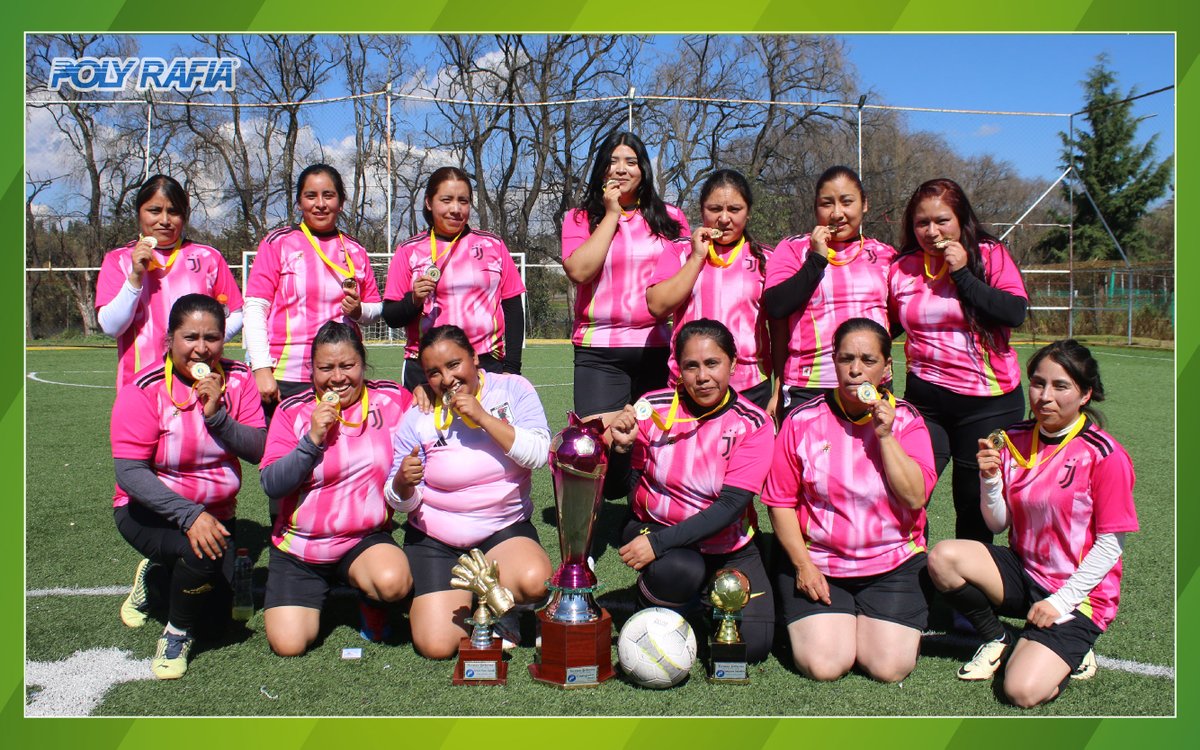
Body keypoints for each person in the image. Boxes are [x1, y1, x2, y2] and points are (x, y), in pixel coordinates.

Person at [927, 340, 1136, 707]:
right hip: (1025, 572)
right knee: (943, 558)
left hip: (1079, 595)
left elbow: (1110, 545)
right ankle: (999, 639)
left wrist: (1061, 602)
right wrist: (990, 480)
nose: (1045, 396)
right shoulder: (1014, 438)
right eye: (1038, 383)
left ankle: (1072, 647)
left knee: (1021, 691)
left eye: (1061, 386)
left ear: (1085, 394)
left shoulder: (1104, 455)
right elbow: (999, 521)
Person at [761, 318, 937, 683]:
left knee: (888, 668)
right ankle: (836, 621)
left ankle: (875, 621)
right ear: (834, 363)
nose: (856, 370)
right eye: (846, 359)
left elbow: (915, 497)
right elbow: (779, 502)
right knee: (824, 666)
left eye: (868, 360)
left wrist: (886, 436)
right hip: (821, 564)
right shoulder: (802, 419)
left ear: (887, 367)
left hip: (892, 562)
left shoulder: (908, 420)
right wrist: (803, 566)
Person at [110, 294, 265, 679]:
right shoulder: (144, 387)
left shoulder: (240, 380)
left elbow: (260, 450)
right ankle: (175, 634)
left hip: (216, 517)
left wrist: (218, 416)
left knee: (219, 621)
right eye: (190, 337)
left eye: (211, 338)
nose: (201, 349)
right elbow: (129, 472)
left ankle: (157, 577)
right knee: (200, 553)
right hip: (150, 512)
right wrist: (189, 514)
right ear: (170, 341)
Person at [604, 319, 776, 662]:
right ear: (677, 368)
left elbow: (730, 506)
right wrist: (620, 451)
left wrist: (657, 545)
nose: (702, 376)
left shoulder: (753, 423)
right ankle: (643, 603)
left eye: (712, 363)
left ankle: (691, 605)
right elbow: (614, 490)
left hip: (726, 542)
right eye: (691, 366)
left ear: (732, 362)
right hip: (659, 530)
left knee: (751, 648)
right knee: (682, 569)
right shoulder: (652, 407)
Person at [387, 324, 552, 659]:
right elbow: (399, 501)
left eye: (454, 365)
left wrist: (484, 418)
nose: (446, 379)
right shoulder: (418, 415)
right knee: (436, 645)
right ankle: (479, 603)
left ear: (475, 357)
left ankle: (506, 608)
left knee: (536, 581)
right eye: (434, 372)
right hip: (436, 540)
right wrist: (403, 483)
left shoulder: (511, 389)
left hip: (502, 531)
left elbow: (539, 454)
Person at [259, 322, 413, 656]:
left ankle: (369, 601)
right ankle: (310, 590)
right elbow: (272, 484)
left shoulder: (393, 400)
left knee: (393, 581)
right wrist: (312, 439)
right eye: (325, 368)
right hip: (301, 548)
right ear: (311, 370)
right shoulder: (292, 411)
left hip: (363, 540)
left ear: (363, 363)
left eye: (347, 366)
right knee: (289, 645)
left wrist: (427, 393)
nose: (337, 377)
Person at [888, 178, 1028, 543]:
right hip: (926, 403)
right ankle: (910, 580)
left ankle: (970, 595)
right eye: (922, 223)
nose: (931, 231)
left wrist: (963, 274)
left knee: (972, 507)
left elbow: (1014, 312)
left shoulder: (989, 254)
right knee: (907, 495)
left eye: (942, 221)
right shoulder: (901, 266)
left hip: (988, 406)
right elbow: (885, 324)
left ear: (960, 218)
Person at [561, 130, 690, 424]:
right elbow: (580, 272)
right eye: (613, 161)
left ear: (643, 169)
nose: (621, 169)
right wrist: (611, 214)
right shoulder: (579, 218)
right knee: (601, 450)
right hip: (598, 353)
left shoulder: (671, 218)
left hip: (657, 350)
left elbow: (684, 281)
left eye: (631, 162)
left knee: (653, 447)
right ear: (601, 169)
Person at [243, 163, 383, 415]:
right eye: (311, 196)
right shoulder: (277, 243)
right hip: (285, 375)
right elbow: (255, 308)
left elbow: (374, 309)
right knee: (283, 453)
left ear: (341, 202)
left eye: (328, 195)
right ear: (299, 203)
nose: (320, 204)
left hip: (339, 376)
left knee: (337, 452)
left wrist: (358, 310)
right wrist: (261, 368)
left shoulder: (355, 250)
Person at [762, 167, 894, 419]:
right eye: (827, 204)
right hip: (809, 385)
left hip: (871, 382)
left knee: (869, 457)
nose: (837, 214)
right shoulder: (793, 249)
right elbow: (777, 306)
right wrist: (817, 259)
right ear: (815, 207)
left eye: (847, 202)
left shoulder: (885, 254)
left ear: (864, 204)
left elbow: (896, 317)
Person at [646, 169, 780, 414]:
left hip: (750, 386)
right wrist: (697, 257)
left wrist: (779, 388)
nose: (724, 218)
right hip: (690, 383)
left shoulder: (767, 259)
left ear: (748, 213)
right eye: (715, 209)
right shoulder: (679, 252)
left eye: (734, 209)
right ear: (701, 210)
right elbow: (657, 306)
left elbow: (784, 330)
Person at [383, 167, 526, 390]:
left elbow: (513, 308)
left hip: (486, 363)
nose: (456, 209)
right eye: (446, 200)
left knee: (490, 426)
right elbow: (391, 316)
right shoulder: (408, 250)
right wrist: (414, 300)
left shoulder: (493, 245)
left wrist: (512, 367)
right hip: (427, 368)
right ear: (429, 202)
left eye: (463, 201)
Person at [96, 174, 244, 387]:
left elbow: (236, 314)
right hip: (139, 385)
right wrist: (136, 276)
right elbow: (111, 327)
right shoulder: (119, 259)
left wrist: (205, 344)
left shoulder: (208, 257)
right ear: (139, 212)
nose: (164, 220)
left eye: (173, 212)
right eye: (154, 211)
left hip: (199, 381)